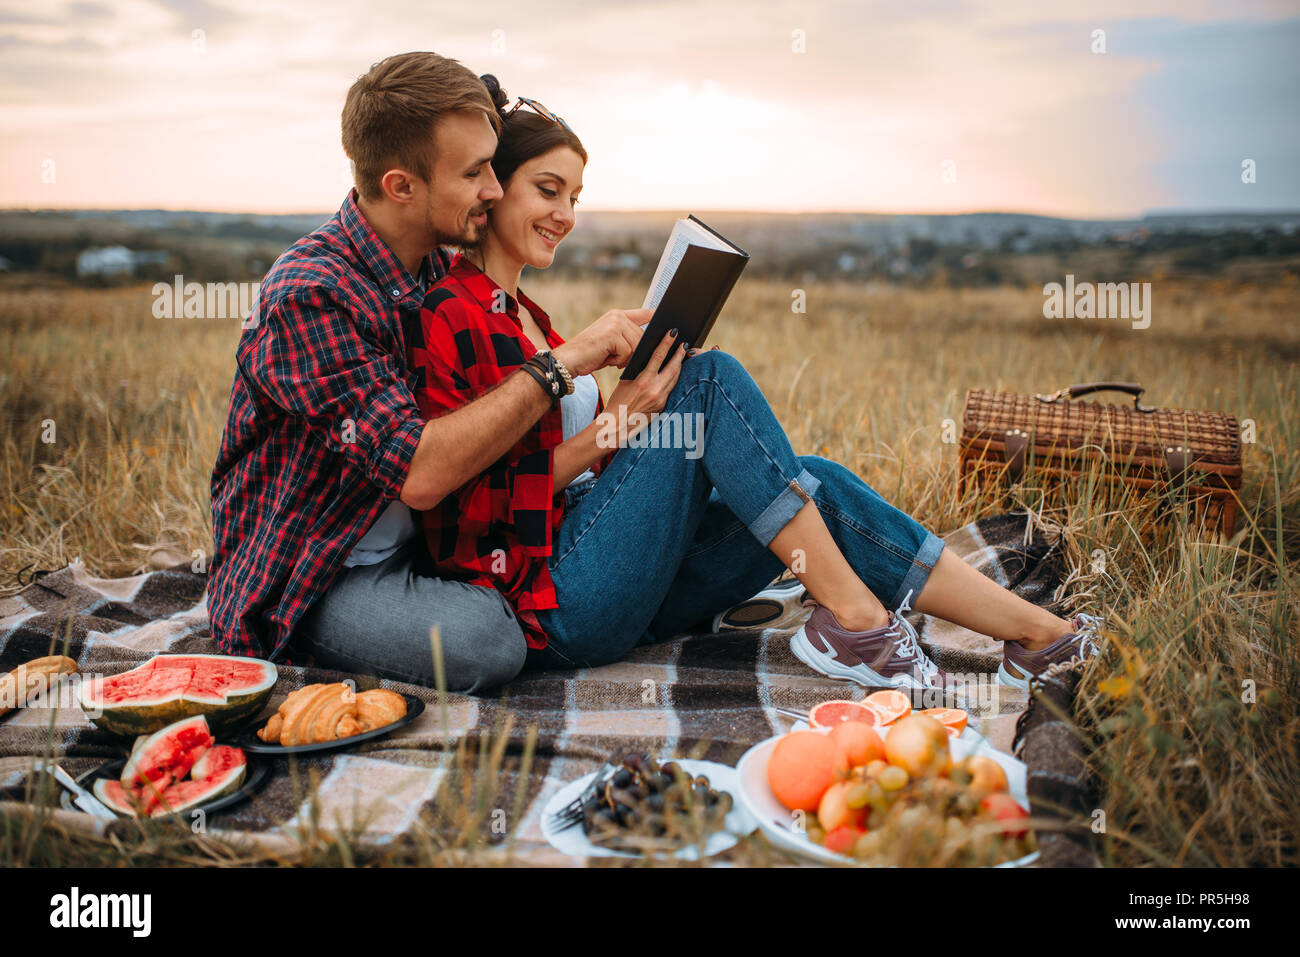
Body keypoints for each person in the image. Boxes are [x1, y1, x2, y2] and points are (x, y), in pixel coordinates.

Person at [406, 74, 1108, 693]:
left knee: (814, 482)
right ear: (493, 190)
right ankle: (858, 622)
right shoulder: (452, 316)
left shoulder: (530, 317)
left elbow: (597, 469)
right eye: (547, 190)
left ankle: (1039, 636)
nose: (565, 213)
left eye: (575, 196)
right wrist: (616, 425)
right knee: (710, 382)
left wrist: (637, 414)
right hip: (558, 605)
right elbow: (465, 508)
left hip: (625, 574)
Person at [208, 52, 648, 693]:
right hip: (325, 570)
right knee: (485, 644)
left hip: (435, 547)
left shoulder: (436, 272)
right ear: (401, 186)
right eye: (475, 174)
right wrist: (562, 363)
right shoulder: (311, 294)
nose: (494, 191)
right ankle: (306, 638)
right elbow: (421, 472)